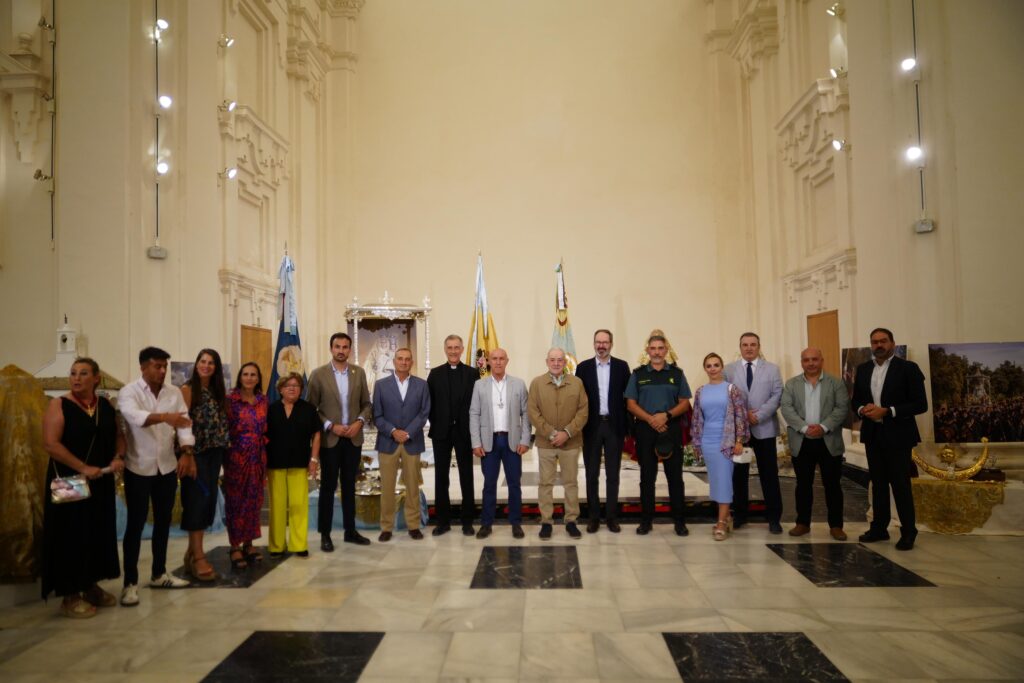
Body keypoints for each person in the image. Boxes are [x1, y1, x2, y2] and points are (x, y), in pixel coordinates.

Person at [40, 357, 125, 618]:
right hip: (69, 481)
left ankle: (90, 585)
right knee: (70, 534)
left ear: (96, 378)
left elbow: (118, 435)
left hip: (99, 480)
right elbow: (51, 444)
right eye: (73, 373)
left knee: (96, 531)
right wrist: (82, 467)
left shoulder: (105, 405)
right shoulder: (59, 405)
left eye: (83, 373)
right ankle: (70, 595)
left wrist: (118, 456)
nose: (76, 378)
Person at [118, 347, 193, 607]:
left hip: (166, 466)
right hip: (138, 467)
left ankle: (159, 574)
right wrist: (165, 417)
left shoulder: (173, 392)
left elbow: (184, 424)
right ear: (143, 367)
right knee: (136, 525)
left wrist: (187, 452)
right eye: (157, 366)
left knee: (163, 521)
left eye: (164, 367)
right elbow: (135, 418)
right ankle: (130, 583)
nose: (162, 371)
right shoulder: (129, 392)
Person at [852, 328, 928, 550]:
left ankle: (908, 532)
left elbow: (920, 404)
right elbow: (855, 400)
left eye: (883, 341)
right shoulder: (863, 369)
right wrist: (862, 409)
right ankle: (879, 528)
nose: (879, 345)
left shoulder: (908, 368)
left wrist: (888, 411)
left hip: (899, 436)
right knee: (878, 484)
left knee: (900, 485)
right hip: (873, 435)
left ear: (892, 344)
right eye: (874, 342)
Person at [306, 332, 372, 550]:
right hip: (330, 439)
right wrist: (329, 425)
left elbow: (366, 404)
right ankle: (325, 534)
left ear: (349, 350)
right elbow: (311, 408)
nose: (341, 350)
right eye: (337, 346)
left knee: (350, 485)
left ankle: (350, 531)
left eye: (345, 347)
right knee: (328, 487)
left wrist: (359, 422)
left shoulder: (358, 373)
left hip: (353, 438)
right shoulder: (318, 374)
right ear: (331, 348)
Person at [625, 334, 693, 536]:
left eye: (660, 348)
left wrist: (666, 416)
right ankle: (646, 521)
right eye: (653, 348)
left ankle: (679, 522)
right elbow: (630, 404)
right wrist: (651, 419)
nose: (656, 352)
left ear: (666, 350)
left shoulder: (677, 374)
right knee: (647, 478)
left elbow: (685, 403)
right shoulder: (638, 374)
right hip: (645, 430)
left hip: (671, 428)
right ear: (647, 351)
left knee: (675, 477)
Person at [780, 347, 851, 540]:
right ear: (801, 362)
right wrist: (804, 428)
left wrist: (824, 427)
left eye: (814, 359)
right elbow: (786, 408)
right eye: (806, 360)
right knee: (803, 485)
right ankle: (802, 523)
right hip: (802, 440)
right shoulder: (791, 384)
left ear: (821, 361)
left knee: (833, 485)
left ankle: (836, 526)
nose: (810, 363)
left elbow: (842, 408)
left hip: (829, 440)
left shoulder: (836, 383)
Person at [724, 332, 784, 533]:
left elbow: (777, 396)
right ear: (740, 347)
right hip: (739, 432)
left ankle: (774, 518)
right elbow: (725, 395)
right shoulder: (729, 370)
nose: (749, 348)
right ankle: (740, 515)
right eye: (745, 345)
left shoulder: (772, 369)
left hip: (764, 428)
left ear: (759, 346)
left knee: (769, 475)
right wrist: (743, 415)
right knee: (739, 475)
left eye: (753, 344)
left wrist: (758, 415)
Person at [469, 348, 531, 539]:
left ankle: (516, 523)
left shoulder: (518, 384)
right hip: (489, 442)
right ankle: (486, 524)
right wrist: (475, 442)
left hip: (512, 441)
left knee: (514, 484)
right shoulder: (480, 385)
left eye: (501, 358)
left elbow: (526, 414)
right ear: (488, 361)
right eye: (494, 359)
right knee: (489, 484)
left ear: (507, 361)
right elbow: (474, 414)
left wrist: (525, 439)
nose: (498, 362)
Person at [179, 349, 230, 582]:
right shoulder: (188, 390)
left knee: (208, 501)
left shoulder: (218, 392)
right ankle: (199, 557)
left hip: (214, 453)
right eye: (202, 361)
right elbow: (182, 425)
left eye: (211, 363)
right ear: (196, 364)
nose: (206, 366)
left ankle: (191, 553)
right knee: (196, 501)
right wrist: (186, 454)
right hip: (195, 453)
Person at [528, 347, 588, 539]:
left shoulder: (577, 383)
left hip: (571, 442)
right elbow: (533, 412)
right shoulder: (537, 383)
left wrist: (567, 433)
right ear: (547, 362)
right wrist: (552, 433)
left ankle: (571, 521)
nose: (556, 363)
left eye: (559, 360)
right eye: (552, 360)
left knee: (571, 483)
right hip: (546, 443)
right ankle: (546, 522)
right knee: (545, 483)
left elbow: (583, 411)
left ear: (565, 362)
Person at [575, 329, 631, 533]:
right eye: (598, 342)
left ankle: (611, 517)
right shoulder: (583, 368)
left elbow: (628, 398)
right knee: (591, 475)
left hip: (614, 427)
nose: (601, 346)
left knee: (613, 475)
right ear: (593, 344)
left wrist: (628, 428)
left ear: (611, 344)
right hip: (592, 426)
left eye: (605, 342)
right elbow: (578, 399)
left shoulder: (622, 367)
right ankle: (594, 518)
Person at [373, 348, 431, 541]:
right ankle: (386, 527)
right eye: (400, 359)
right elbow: (377, 415)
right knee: (387, 487)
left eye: (407, 359)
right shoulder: (381, 385)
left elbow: (424, 413)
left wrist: (407, 432)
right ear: (394, 361)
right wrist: (392, 431)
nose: (403, 362)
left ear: (411, 362)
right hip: (387, 441)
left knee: (412, 487)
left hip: (411, 441)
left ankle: (413, 525)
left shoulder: (421, 385)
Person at [691, 352, 749, 540]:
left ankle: (721, 522)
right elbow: (697, 418)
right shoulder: (701, 391)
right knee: (716, 480)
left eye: (716, 365)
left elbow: (740, 415)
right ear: (705, 369)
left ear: (722, 367)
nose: (713, 368)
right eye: (709, 366)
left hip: (726, 441)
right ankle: (727, 517)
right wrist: (697, 442)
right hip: (707, 440)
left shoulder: (731, 389)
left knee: (724, 479)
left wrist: (739, 440)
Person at [427, 334, 480, 537]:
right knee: (441, 477)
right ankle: (443, 522)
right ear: (445, 349)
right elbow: (429, 404)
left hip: (464, 432)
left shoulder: (472, 373)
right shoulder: (435, 374)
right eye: (449, 347)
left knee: (466, 476)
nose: (453, 351)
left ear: (462, 349)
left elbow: (476, 404)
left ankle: (467, 521)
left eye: (457, 347)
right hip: (441, 432)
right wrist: (437, 422)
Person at [266, 373, 321, 557]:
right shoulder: (271, 409)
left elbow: (317, 434)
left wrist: (314, 459)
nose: (292, 388)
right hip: (275, 463)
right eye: (287, 385)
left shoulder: (309, 409)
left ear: (301, 390)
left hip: (300, 463)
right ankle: (276, 546)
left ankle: (299, 545)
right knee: (277, 506)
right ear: (280, 389)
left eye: (296, 385)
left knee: (299, 504)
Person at [224, 362, 268, 569]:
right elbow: (224, 429)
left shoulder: (263, 400)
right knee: (236, 502)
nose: (249, 378)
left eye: (253, 375)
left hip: (258, 457)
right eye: (246, 374)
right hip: (236, 457)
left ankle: (249, 543)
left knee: (253, 501)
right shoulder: (230, 400)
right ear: (240, 377)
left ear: (258, 378)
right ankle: (235, 546)